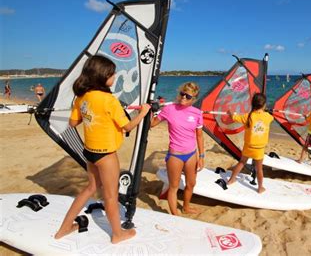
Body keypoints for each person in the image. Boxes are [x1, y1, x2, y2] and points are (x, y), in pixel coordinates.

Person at [54, 55, 150, 244]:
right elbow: (128, 127)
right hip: (105, 154)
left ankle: (64, 228)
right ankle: (117, 234)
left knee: (90, 188)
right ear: (102, 76)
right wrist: (144, 112)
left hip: (89, 151)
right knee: (111, 196)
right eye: (112, 74)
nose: (114, 77)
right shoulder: (109, 99)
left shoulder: (82, 97)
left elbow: (73, 122)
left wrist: (88, 116)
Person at [151, 82, 204, 215]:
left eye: (188, 96)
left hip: (191, 154)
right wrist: (150, 110)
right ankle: (175, 214)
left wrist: (201, 156)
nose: (184, 98)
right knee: (174, 187)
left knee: (191, 184)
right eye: (182, 94)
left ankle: (186, 207)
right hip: (175, 155)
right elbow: (151, 124)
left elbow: (199, 136)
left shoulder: (197, 113)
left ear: (194, 99)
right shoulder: (169, 109)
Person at [226, 93, 274, 193]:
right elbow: (271, 118)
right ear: (264, 105)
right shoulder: (268, 116)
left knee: (241, 163)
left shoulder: (248, 116)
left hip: (248, 146)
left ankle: (231, 180)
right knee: (259, 168)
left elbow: (234, 118)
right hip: (259, 148)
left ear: (252, 104)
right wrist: (267, 111)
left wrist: (231, 113)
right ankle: (260, 188)